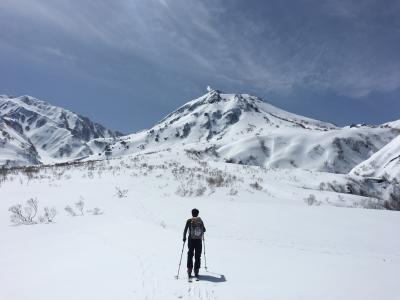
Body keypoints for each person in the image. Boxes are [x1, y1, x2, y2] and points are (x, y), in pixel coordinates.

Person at [183, 208, 206, 278]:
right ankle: (196, 270)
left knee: (190, 254)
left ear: (192, 214)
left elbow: (185, 230)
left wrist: (184, 238)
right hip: (198, 240)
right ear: (198, 214)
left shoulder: (189, 220)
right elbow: (204, 230)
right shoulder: (200, 221)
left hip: (191, 240)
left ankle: (189, 270)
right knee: (198, 255)